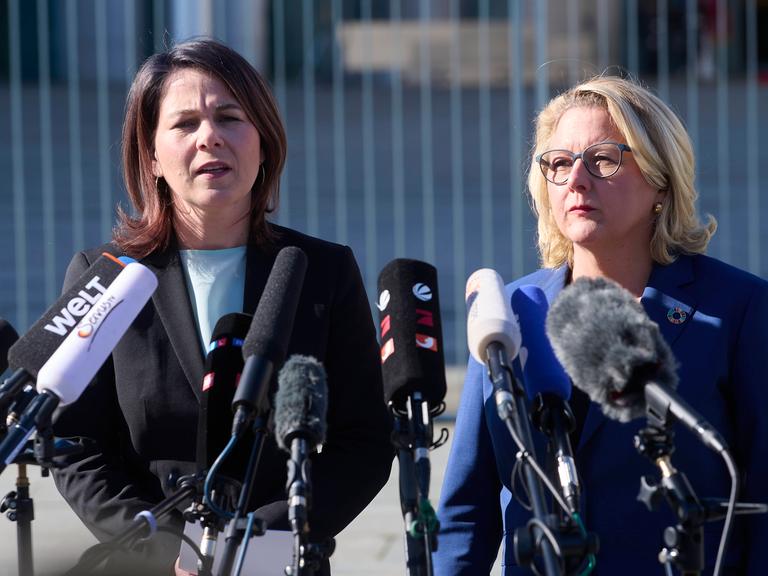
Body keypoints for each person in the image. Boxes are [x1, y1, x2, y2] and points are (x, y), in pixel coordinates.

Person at [51, 38, 393, 575]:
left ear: (263, 142)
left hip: (282, 562)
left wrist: (267, 540)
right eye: (185, 124)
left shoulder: (322, 271)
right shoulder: (106, 278)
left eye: (230, 117)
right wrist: (164, 551)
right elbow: (77, 445)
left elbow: (365, 443)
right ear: (152, 156)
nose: (210, 137)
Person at [435, 75, 768, 575]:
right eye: (560, 164)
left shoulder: (739, 308)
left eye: (604, 160)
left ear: (660, 179)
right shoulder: (509, 311)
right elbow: (466, 511)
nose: (576, 181)